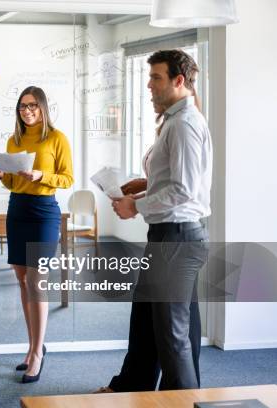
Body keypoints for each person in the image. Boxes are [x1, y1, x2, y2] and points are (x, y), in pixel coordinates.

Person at [104, 49, 212, 392]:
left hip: (177, 239)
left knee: (172, 336)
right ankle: (131, 390)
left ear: (179, 81)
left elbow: (184, 190)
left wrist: (135, 207)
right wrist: (143, 186)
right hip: (169, 237)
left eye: (156, 78)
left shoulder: (184, 124)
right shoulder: (174, 121)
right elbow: (174, 180)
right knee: (149, 325)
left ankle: (181, 402)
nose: (149, 85)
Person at [0, 86, 73, 383]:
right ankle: (32, 345)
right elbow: (13, 182)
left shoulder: (57, 138)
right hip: (18, 209)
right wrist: (2, 175)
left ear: (43, 108)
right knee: (23, 281)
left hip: (44, 211)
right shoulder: (15, 140)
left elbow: (67, 177)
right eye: (22, 106)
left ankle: (37, 353)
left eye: (33, 106)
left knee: (37, 282)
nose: (27, 111)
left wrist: (41, 176)